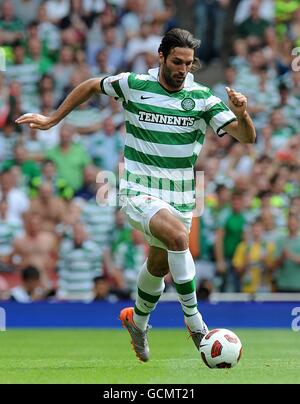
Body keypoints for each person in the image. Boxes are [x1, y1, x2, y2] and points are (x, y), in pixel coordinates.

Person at [16, 28, 256, 362]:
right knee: (176, 236)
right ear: (161, 56)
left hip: (180, 197)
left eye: (188, 63)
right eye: (176, 61)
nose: (182, 69)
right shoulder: (134, 84)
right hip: (136, 191)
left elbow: (246, 138)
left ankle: (138, 322)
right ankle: (196, 323)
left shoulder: (203, 99)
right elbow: (90, 85)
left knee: (159, 264)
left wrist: (242, 113)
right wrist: (53, 118)